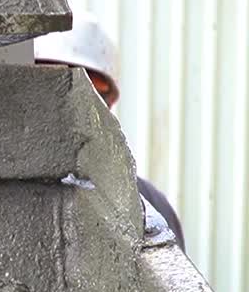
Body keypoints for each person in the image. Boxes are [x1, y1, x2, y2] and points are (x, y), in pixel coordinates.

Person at [33, 14, 186, 250]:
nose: (74, 100)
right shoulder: (0, 192)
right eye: (56, 82)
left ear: (109, 104)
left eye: (92, 91)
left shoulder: (151, 207)